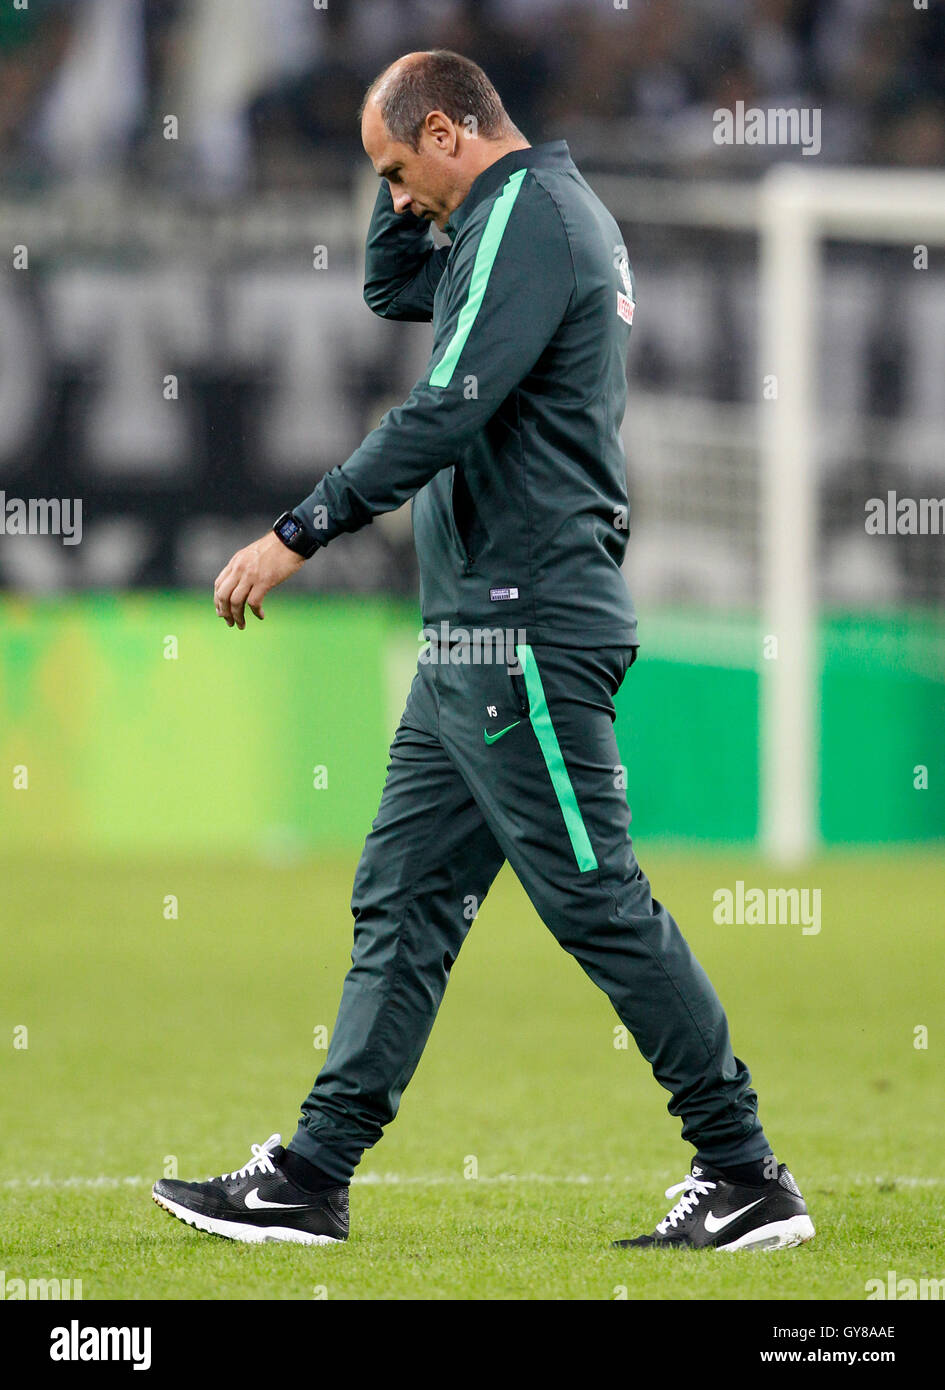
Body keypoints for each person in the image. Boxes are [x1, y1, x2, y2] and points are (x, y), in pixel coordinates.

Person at [152, 50, 814, 1253]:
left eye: (403, 169)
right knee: (402, 900)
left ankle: (745, 1169)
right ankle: (312, 1172)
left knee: (596, 900)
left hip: (525, 628)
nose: (400, 201)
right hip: (470, 640)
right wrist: (393, 171)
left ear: (454, 131)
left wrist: (301, 530)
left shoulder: (535, 219)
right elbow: (388, 289)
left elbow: (447, 404)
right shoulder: (508, 218)